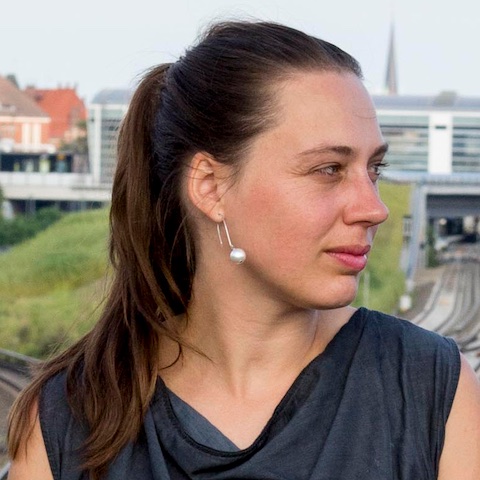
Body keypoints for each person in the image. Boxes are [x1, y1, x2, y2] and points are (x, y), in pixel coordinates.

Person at [6, 20, 480, 480]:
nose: (374, 209)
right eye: (329, 169)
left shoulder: (429, 386)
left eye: (374, 169)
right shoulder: (64, 420)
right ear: (211, 188)